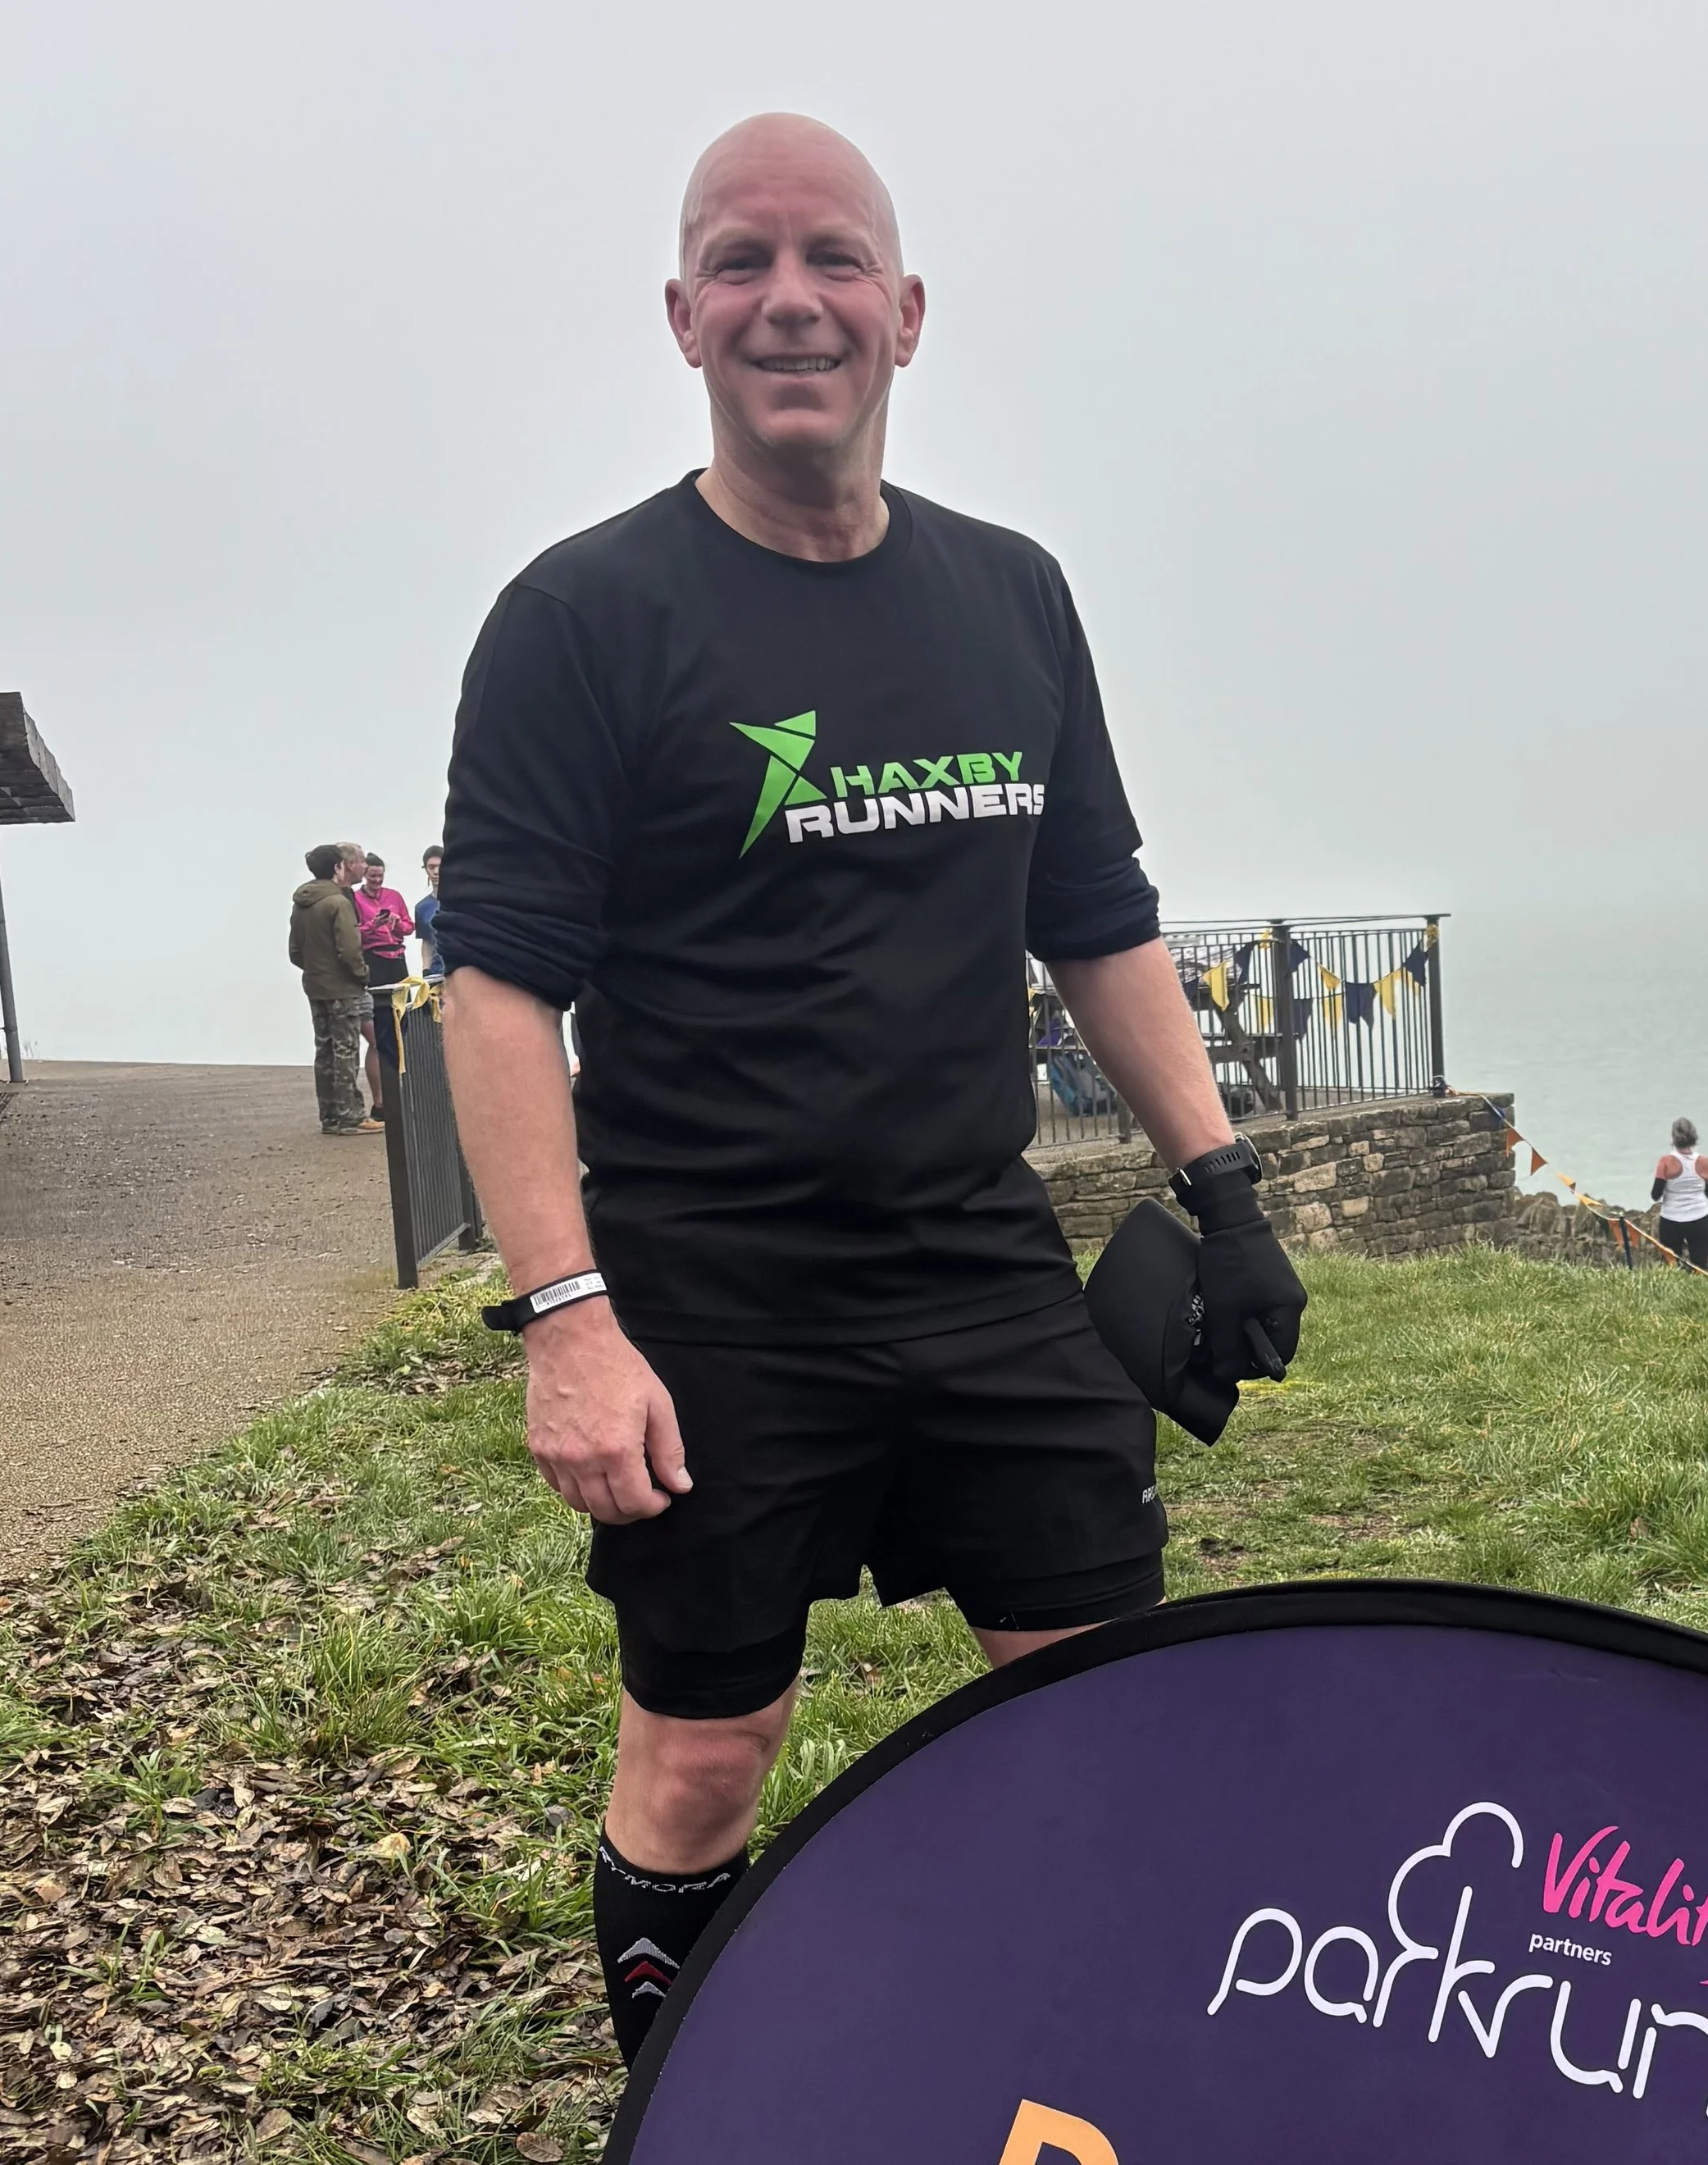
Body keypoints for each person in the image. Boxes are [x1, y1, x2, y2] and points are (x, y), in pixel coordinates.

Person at [434, 112, 1307, 2067]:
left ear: (906, 313)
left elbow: (1095, 911)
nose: (788, 300)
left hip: (980, 1262)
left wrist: (1226, 1190)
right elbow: (496, 991)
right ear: (682, 317)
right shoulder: (585, 620)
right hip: (708, 1287)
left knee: (1095, 1696)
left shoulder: (1011, 597)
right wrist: (565, 1322)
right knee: (706, 1742)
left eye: (831, 260)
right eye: (738, 263)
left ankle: (1068, 2059)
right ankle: (698, 2090)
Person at [288, 843, 380, 1134]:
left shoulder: (303, 903)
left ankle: (329, 1116)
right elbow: (349, 950)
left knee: (324, 1050)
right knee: (346, 1051)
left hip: (315, 985)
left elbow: (295, 952)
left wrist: (316, 970)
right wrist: (362, 974)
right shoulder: (337, 903)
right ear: (337, 868)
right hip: (343, 988)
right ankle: (350, 1116)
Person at [354, 852, 414, 1119]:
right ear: (365, 874)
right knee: (378, 1033)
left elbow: (410, 927)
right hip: (373, 961)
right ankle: (380, 1102)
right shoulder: (355, 899)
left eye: (380, 876)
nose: (377, 881)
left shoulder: (394, 895)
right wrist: (372, 925)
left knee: (404, 1027)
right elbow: (353, 932)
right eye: (372, 876)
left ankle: (405, 1094)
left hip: (397, 960)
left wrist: (396, 923)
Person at [1652, 1117, 1708, 1269]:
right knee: (1700, 1267)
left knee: (1672, 1266)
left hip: (1671, 1220)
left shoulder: (1665, 1162)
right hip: (1699, 1219)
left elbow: (1656, 1195)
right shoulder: (1704, 1162)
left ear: (1674, 1138)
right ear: (1694, 1137)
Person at [414, 845, 445, 980]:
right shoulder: (422, 907)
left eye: (440, 866)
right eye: (431, 867)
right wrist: (425, 971)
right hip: (436, 971)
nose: (436, 872)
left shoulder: (463, 901)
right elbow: (426, 941)